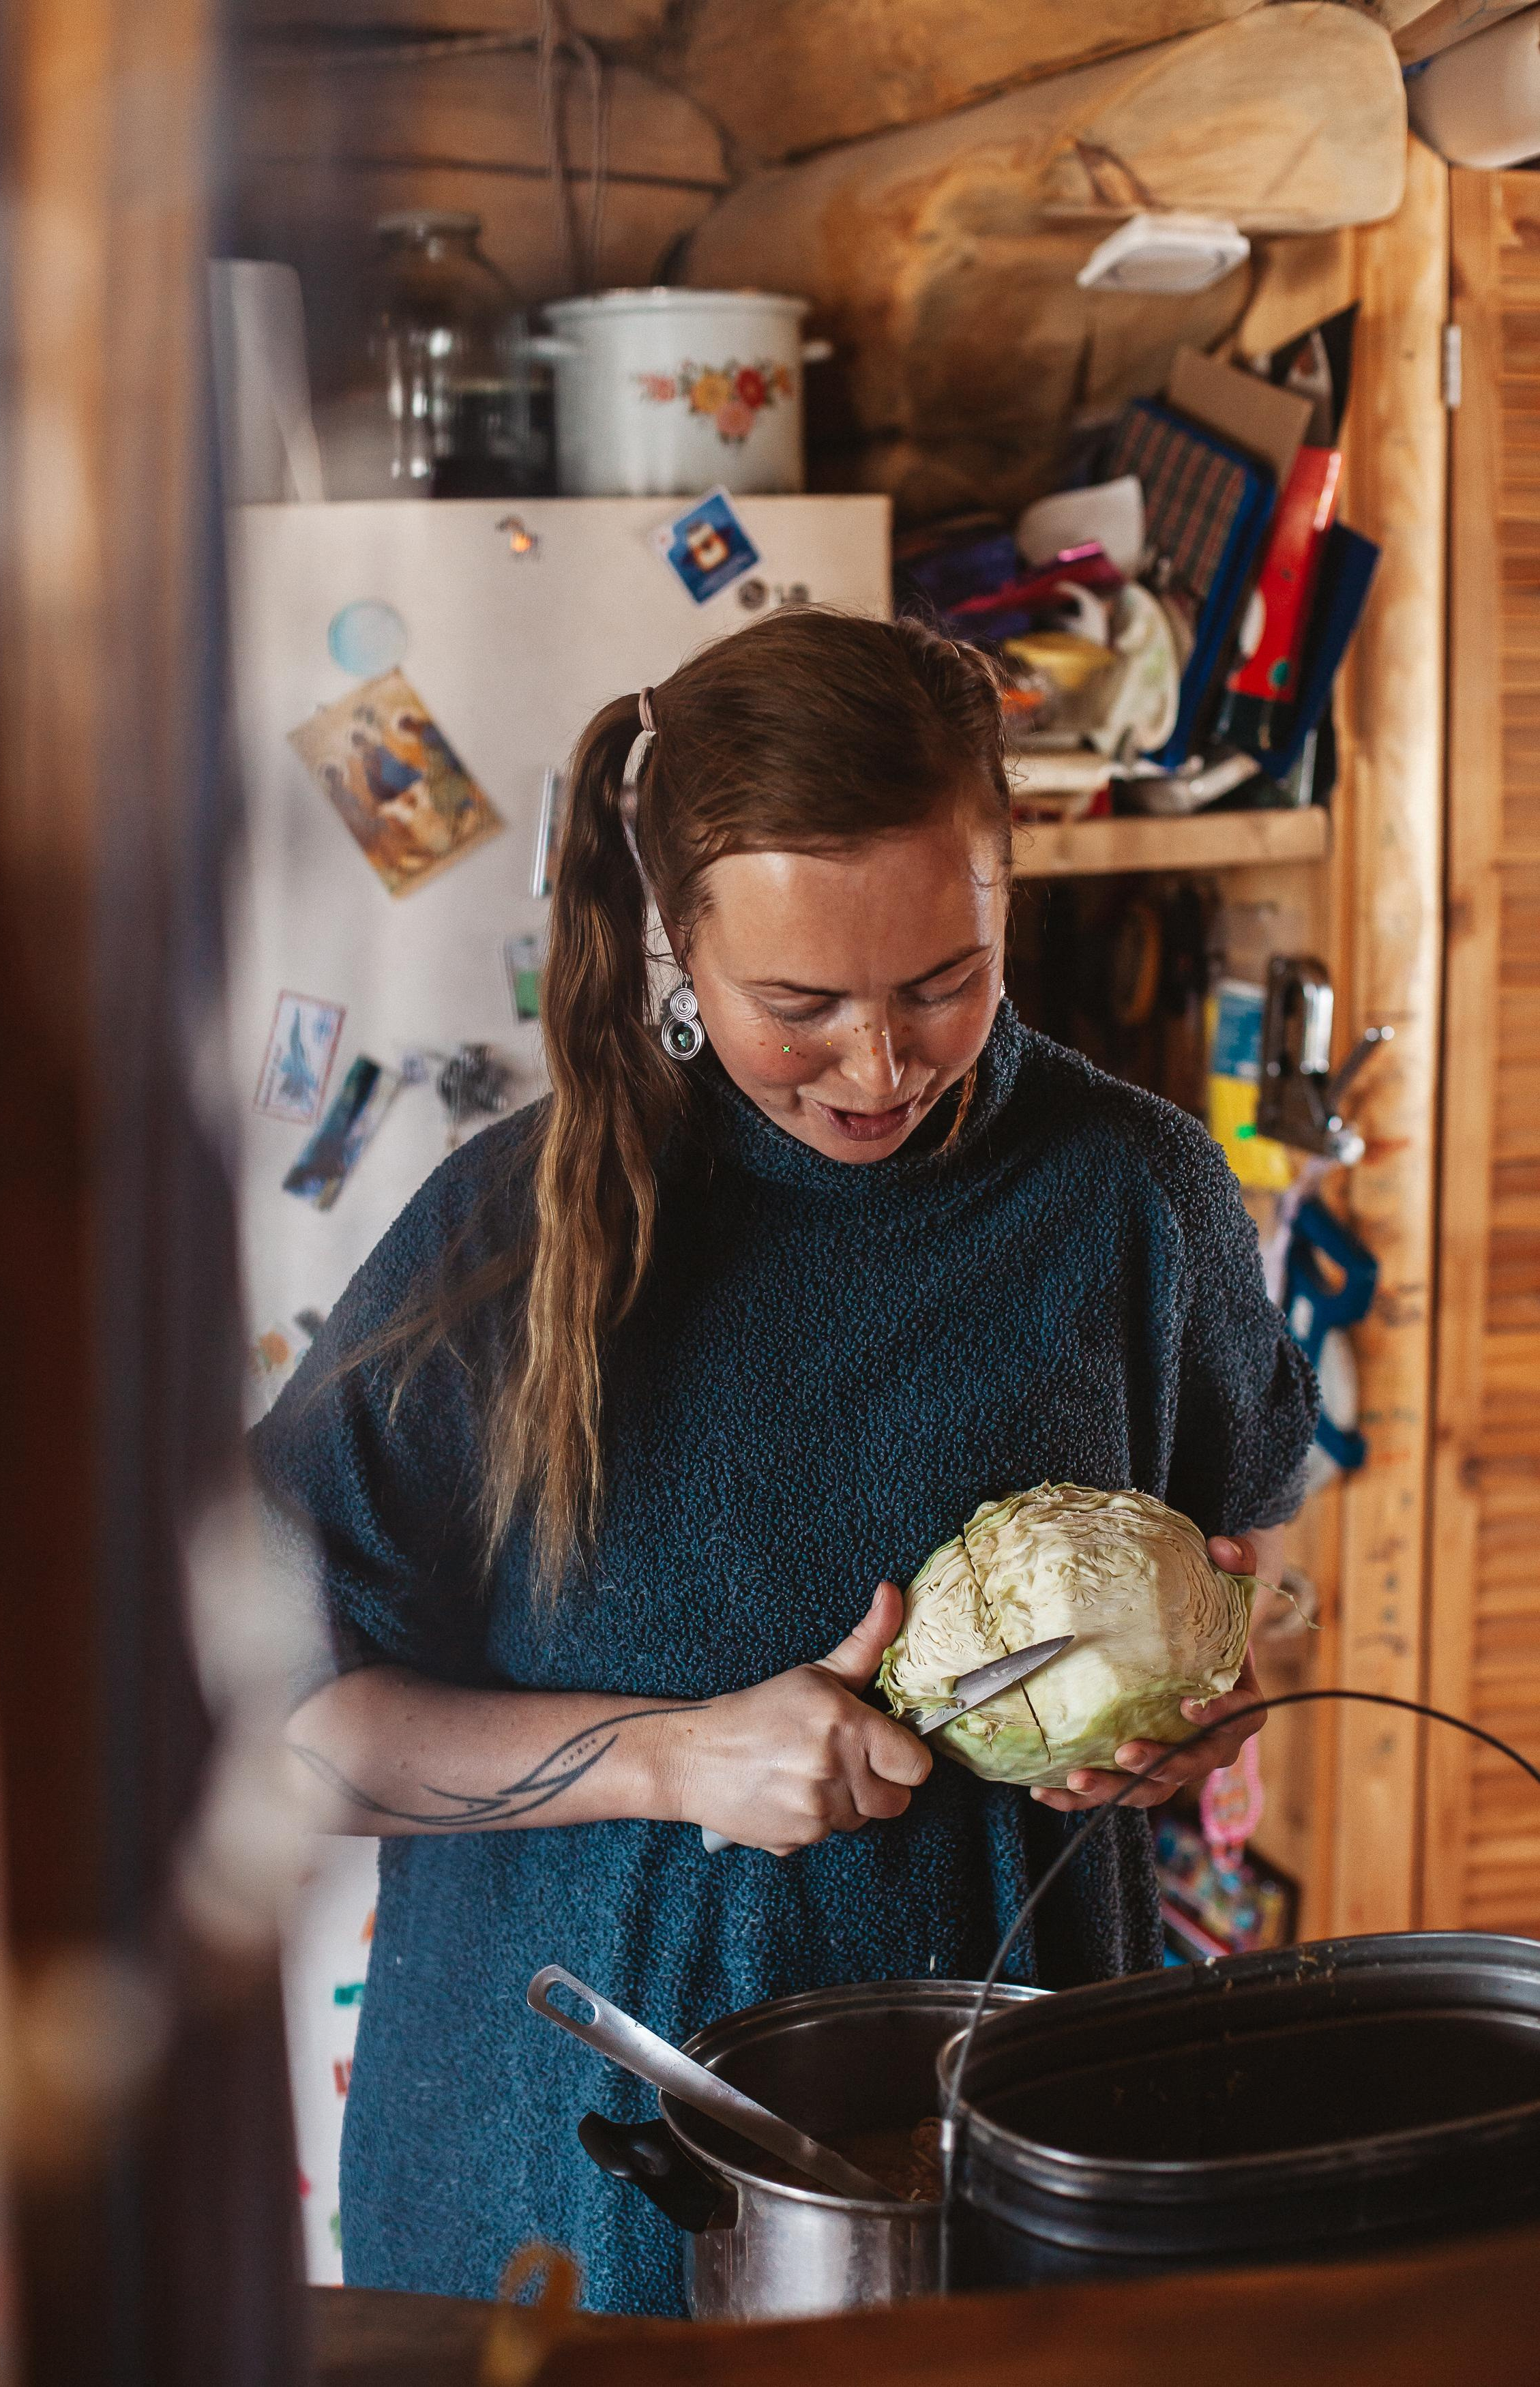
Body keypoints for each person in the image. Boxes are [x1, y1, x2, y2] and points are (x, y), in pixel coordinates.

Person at [253, 610, 1316, 2317]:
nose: (880, 1066)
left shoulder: (1137, 1195)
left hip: (1009, 2178)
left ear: (1006, 898)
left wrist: (1193, 1716)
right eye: (799, 1003)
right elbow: (272, 1730)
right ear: (677, 945)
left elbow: (1260, 1572)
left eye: (942, 984)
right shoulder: (510, 1241)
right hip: (560, 2199)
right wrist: (674, 1761)